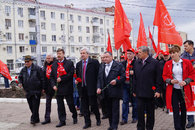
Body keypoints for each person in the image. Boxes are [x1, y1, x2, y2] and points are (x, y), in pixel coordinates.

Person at [163, 45, 195, 130]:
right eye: (171, 53)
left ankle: (183, 126)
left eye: (174, 52)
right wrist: (170, 81)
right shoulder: (168, 64)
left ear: (179, 53)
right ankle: (177, 128)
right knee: (176, 110)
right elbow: (164, 76)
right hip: (173, 90)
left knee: (184, 110)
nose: (172, 55)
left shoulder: (187, 62)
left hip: (184, 90)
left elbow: (192, 74)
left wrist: (186, 81)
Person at [133, 46, 161, 130]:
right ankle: (140, 128)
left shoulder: (155, 63)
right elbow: (134, 78)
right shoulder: (137, 62)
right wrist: (134, 90)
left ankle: (149, 128)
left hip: (150, 93)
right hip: (139, 93)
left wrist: (158, 90)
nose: (138, 54)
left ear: (146, 53)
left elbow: (159, 78)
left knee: (150, 113)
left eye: (140, 52)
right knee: (140, 113)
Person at [97, 51, 125, 130]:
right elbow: (99, 78)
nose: (105, 59)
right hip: (105, 92)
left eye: (107, 57)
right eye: (104, 57)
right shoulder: (102, 66)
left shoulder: (118, 65)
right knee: (108, 110)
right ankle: (111, 125)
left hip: (115, 91)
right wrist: (98, 87)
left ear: (111, 57)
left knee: (115, 110)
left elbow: (122, 76)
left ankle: (114, 126)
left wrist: (116, 81)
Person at [50, 48, 77, 127]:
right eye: (57, 53)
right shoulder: (54, 64)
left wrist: (62, 79)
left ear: (63, 54)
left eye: (60, 53)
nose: (58, 55)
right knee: (60, 105)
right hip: (58, 89)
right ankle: (62, 120)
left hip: (67, 87)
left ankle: (74, 115)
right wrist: (53, 85)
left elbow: (70, 74)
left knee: (70, 104)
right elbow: (51, 76)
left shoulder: (69, 63)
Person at [76, 47, 101, 129]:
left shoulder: (94, 62)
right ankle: (87, 123)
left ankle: (98, 119)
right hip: (82, 88)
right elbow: (78, 75)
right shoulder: (78, 64)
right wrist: (77, 80)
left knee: (94, 105)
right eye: (81, 53)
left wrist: (98, 86)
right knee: (84, 106)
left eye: (83, 53)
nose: (82, 55)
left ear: (88, 54)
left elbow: (98, 75)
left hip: (91, 88)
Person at [18, 55, 44, 125]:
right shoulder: (23, 70)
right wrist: (20, 83)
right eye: (25, 62)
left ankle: (33, 119)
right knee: (31, 106)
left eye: (28, 61)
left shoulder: (37, 68)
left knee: (35, 106)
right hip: (28, 91)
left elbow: (42, 79)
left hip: (36, 90)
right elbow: (20, 77)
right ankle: (37, 119)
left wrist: (43, 88)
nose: (26, 63)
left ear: (31, 61)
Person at [120, 48, 137, 125]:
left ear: (134, 54)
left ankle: (135, 117)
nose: (129, 55)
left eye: (130, 53)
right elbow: (119, 72)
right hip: (124, 84)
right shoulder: (123, 63)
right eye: (128, 53)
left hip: (133, 85)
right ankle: (124, 119)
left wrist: (135, 73)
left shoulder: (136, 63)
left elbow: (141, 73)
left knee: (134, 102)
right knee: (125, 102)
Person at [181, 40, 195, 128]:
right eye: (184, 46)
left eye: (186, 46)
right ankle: (190, 120)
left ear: (191, 46)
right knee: (189, 101)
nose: (185, 48)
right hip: (189, 81)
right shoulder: (183, 56)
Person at [41, 54, 55, 125]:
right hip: (47, 87)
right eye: (47, 58)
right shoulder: (45, 66)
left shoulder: (55, 65)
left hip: (55, 86)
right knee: (48, 103)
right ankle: (47, 118)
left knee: (60, 103)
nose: (48, 59)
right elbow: (43, 77)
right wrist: (43, 87)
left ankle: (63, 118)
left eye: (49, 58)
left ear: (52, 58)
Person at [99, 54, 108, 119]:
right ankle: (104, 113)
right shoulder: (100, 65)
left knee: (107, 100)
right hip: (102, 86)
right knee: (102, 100)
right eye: (101, 58)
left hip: (108, 86)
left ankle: (108, 112)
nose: (102, 59)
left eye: (103, 57)